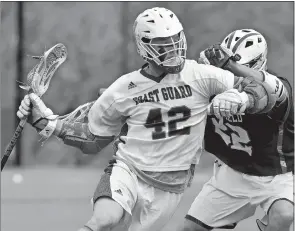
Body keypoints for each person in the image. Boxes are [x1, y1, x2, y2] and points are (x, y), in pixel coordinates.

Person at [17, 9, 279, 231]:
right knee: (103, 221)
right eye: (164, 45)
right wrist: (47, 124)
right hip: (128, 171)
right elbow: (93, 140)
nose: (174, 49)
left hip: (169, 188)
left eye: (176, 40)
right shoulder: (123, 88)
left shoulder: (202, 75)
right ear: (145, 47)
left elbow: (261, 89)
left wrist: (245, 99)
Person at [179, 29, 294, 231]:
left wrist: (242, 98)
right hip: (232, 173)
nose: (229, 73)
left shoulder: (278, 87)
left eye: (235, 68)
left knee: (283, 215)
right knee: (189, 229)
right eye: (225, 67)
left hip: (276, 174)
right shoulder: (213, 85)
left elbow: (267, 92)